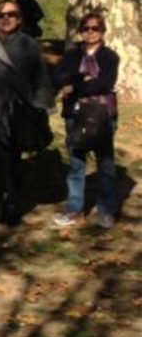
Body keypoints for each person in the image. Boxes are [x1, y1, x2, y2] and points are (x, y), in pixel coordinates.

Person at [0, 0, 55, 230]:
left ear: (20, 18)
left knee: (13, 160)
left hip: (18, 112)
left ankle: (12, 203)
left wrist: (42, 108)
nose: (6, 19)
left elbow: (41, 78)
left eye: (12, 14)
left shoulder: (28, 44)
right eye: (1, 15)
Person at [52, 13, 119, 229]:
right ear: (80, 31)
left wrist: (75, 84)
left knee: (105, 163)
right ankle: (74, 210)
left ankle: (106, 210)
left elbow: (105, 83)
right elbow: (58, 77)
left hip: (102, 114)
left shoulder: (109, 56)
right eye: (86, 28)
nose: (90, 32)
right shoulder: (71, 55)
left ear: (102, 30)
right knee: (76, 163)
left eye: (95, 28)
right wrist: (83, 79)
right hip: (75, 114)